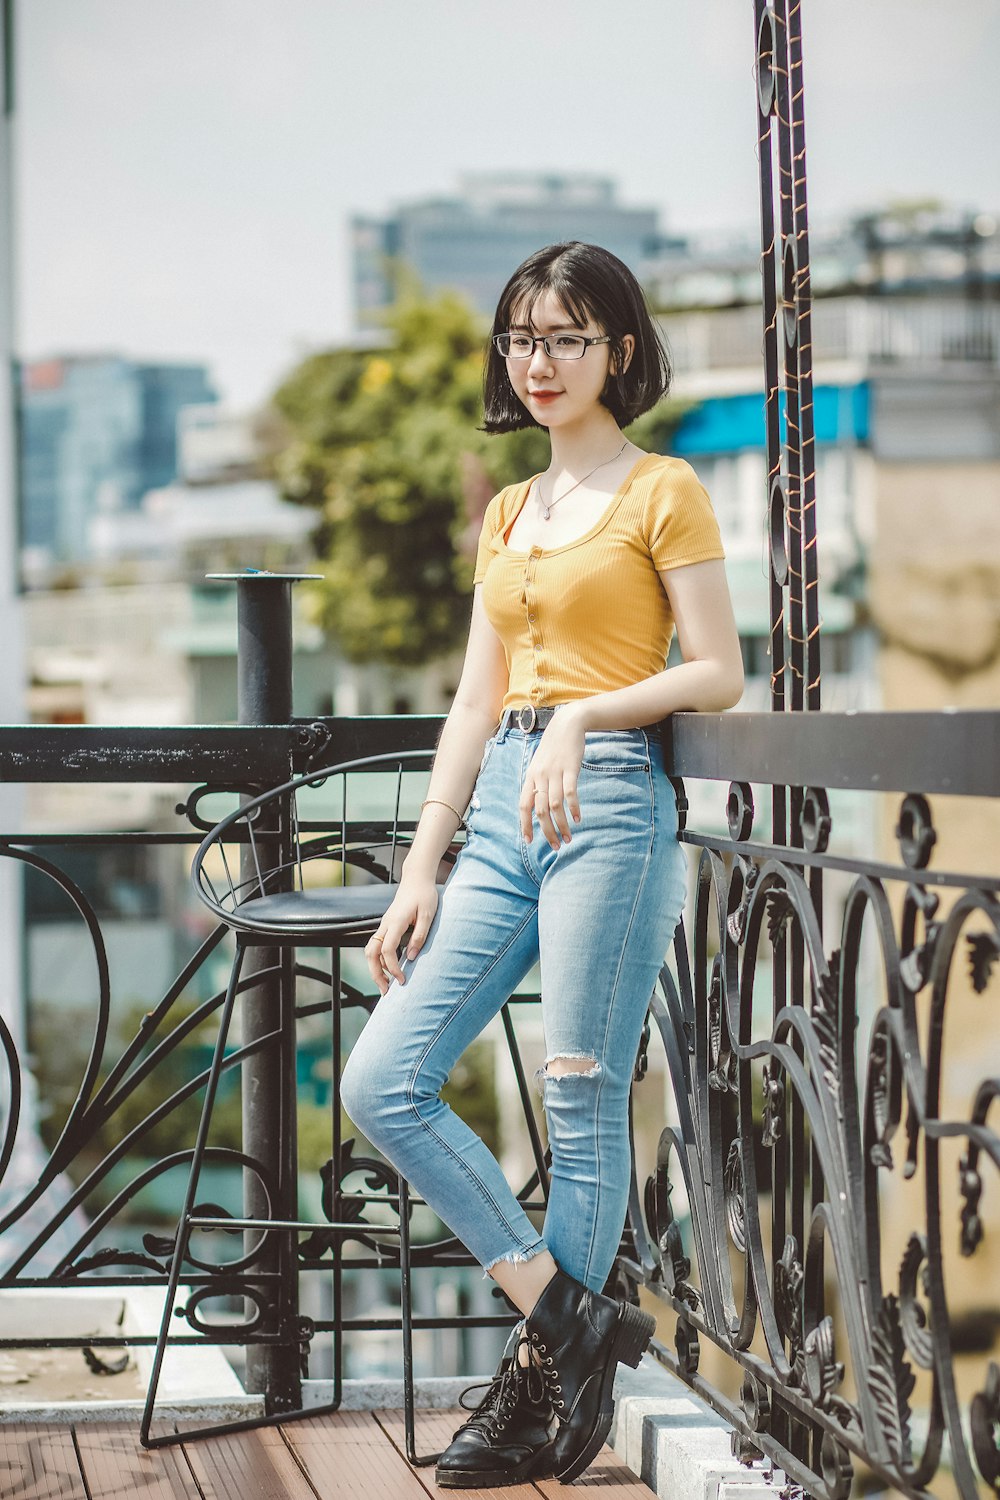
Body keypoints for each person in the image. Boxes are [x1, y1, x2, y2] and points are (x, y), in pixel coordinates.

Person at [340, 240, 743, 1488]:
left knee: (578, 1097)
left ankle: (532, 1397)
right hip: (505, 808)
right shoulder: (511, 509)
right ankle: (570, 1327)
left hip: (609, 802)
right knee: (382, 1078)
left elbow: (721, 672)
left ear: (618, 348)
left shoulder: (660, 488)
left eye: (567, 337)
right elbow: (471, 701)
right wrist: (422, 866)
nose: (539, 362)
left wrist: (580, 715)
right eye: (521, 337)